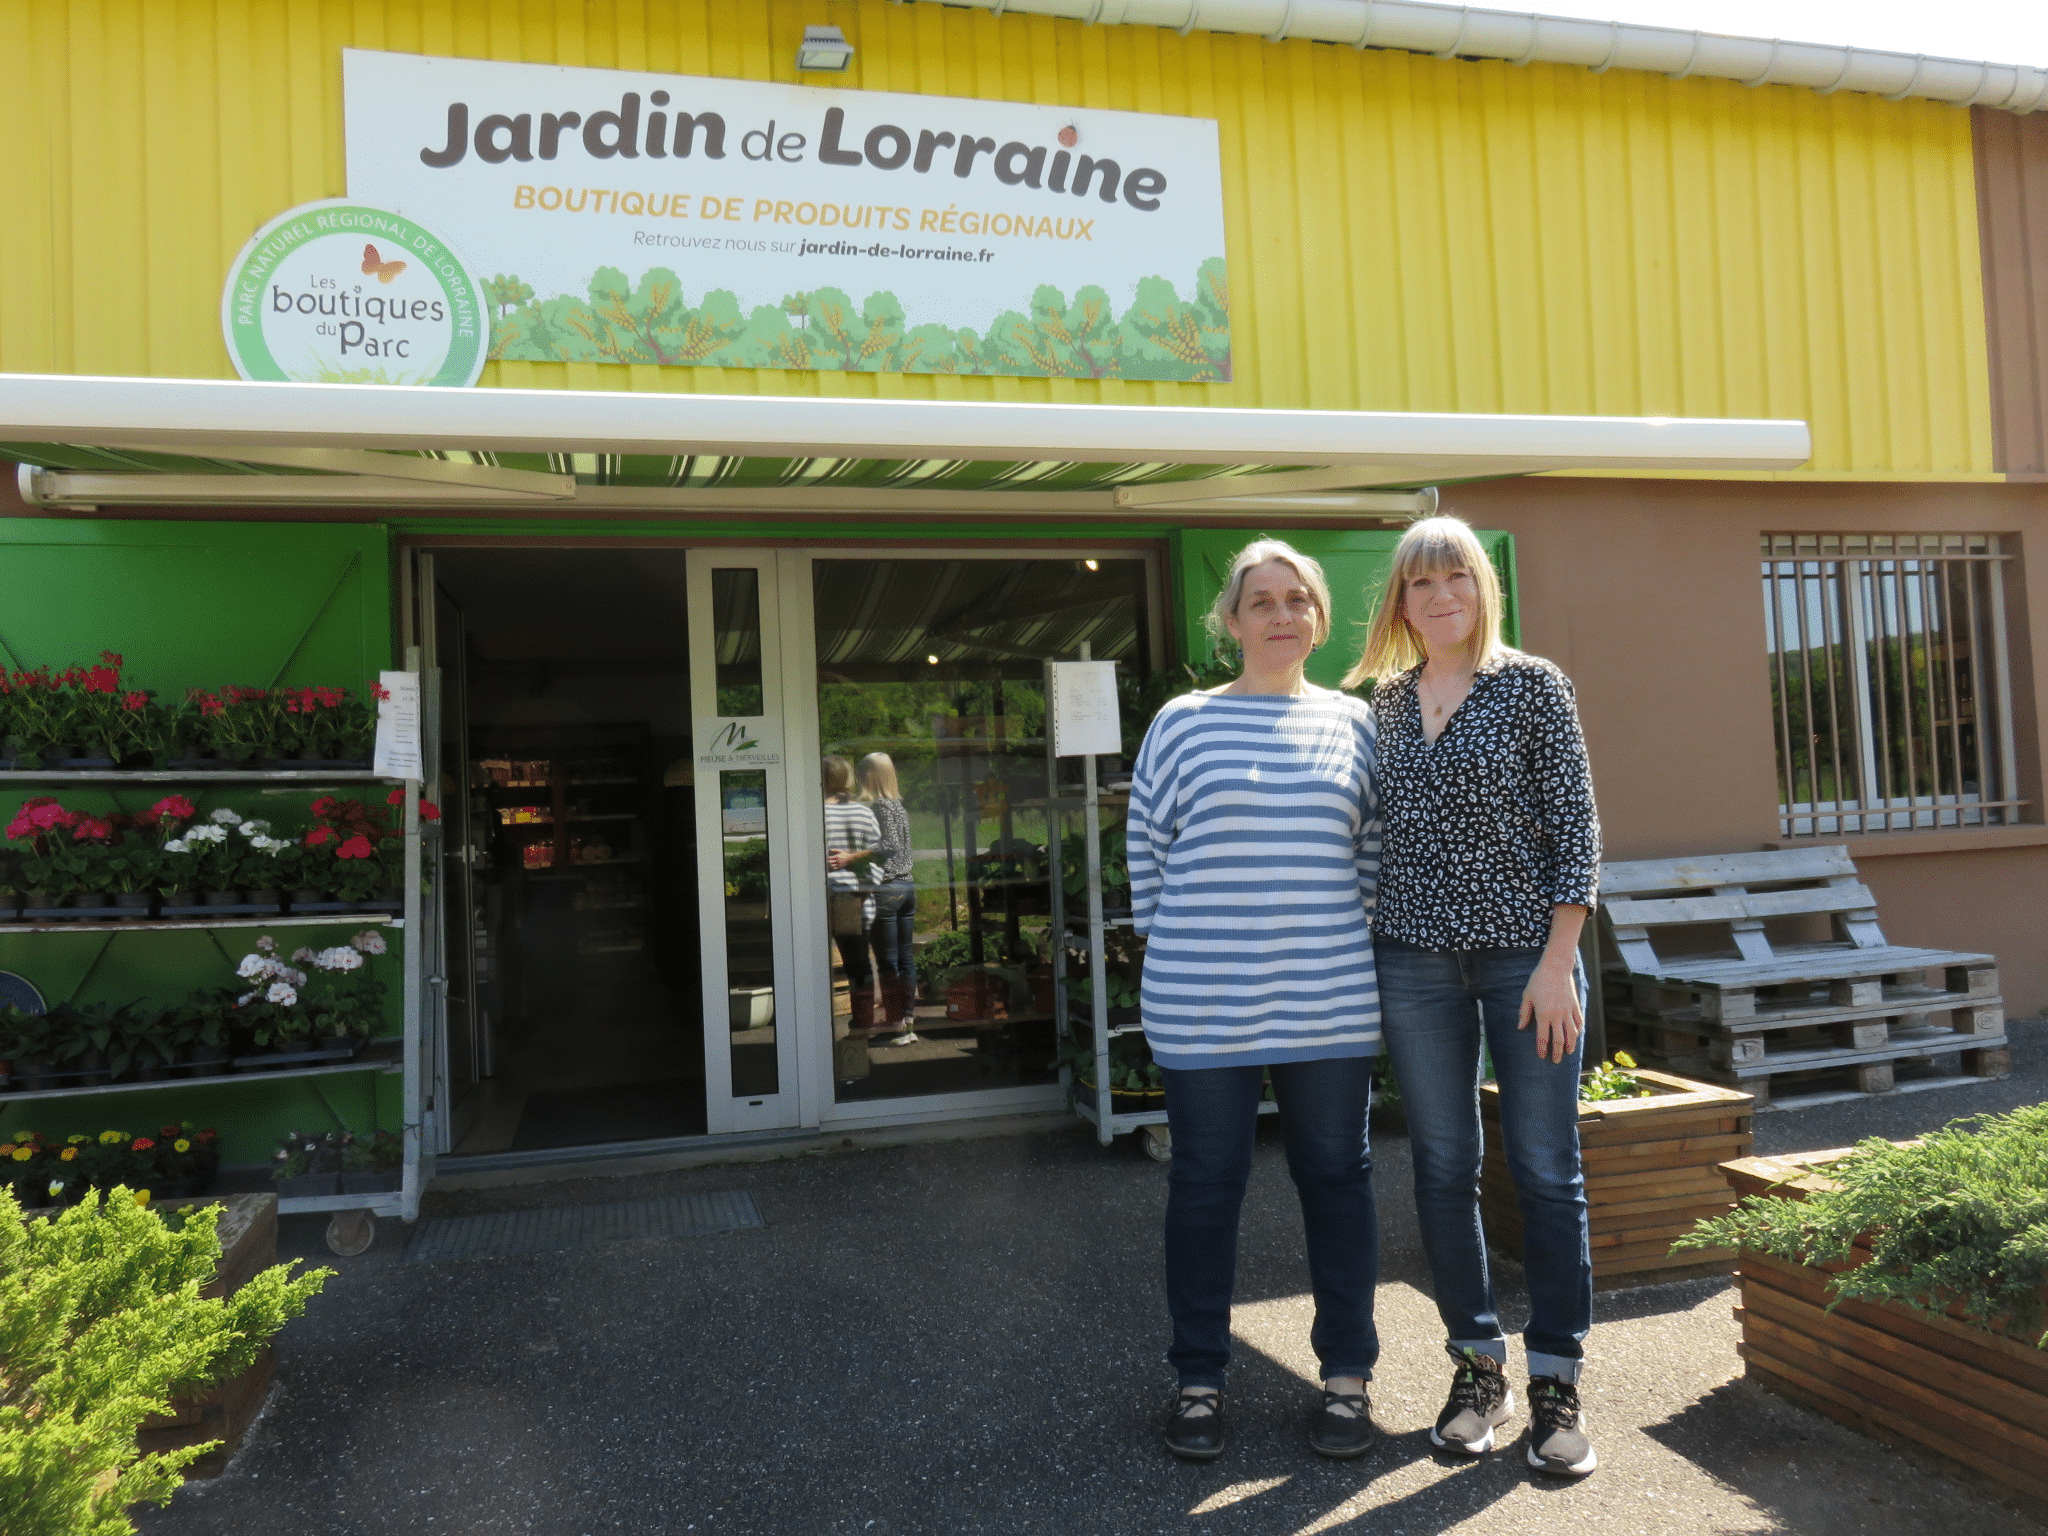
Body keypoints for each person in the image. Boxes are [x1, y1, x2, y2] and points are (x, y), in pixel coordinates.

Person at [1342, 514, 1601, 1478]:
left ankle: (1558, 1380)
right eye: (1421, 582)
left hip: (1526, 960)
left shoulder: (1533, 685)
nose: (1440, 594)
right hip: (1413, 962)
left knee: (1545, 1168)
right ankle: (1476, 1369)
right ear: (1402, 603)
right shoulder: (1386, 702)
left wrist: (1557, 960)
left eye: (1455, 576)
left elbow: (1577, 830)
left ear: (1482, 587)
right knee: (1444, 1167)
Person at [1126, 539, 1383, 1463]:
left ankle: (1347, 1378)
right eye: (1261, 601)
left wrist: (1324, 939)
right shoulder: (1183, 722)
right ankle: (1198, 1379)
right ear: (1230, 621)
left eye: (1297, 599)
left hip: (1329, 1001)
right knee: (1205, 1187)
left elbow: (1371, 858)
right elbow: (1147, 849)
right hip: (1203, 1001)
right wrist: (1190, 947)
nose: (1281, 614)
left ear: (1319, 619)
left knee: (1338, 1182)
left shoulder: (1357, 724)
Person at [858, 752, 920, 1046]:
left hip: (887, 887)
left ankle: (895, 1023)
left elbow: (889, 845)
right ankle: (907, 1018)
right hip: (907, 885)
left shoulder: (880, 806)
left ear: (869, 776)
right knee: (905, 958)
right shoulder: (898, 805)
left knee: (887, 961)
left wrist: (856, 855)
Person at [822, 755, 883, 1034]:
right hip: (854, 897)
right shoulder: (863, 813)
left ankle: (815, 1028)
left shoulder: (813, 814)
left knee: (813, 964)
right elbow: (879, 857)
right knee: (858, 964)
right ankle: (863, 1023)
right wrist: (865, 889)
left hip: (819, 897)